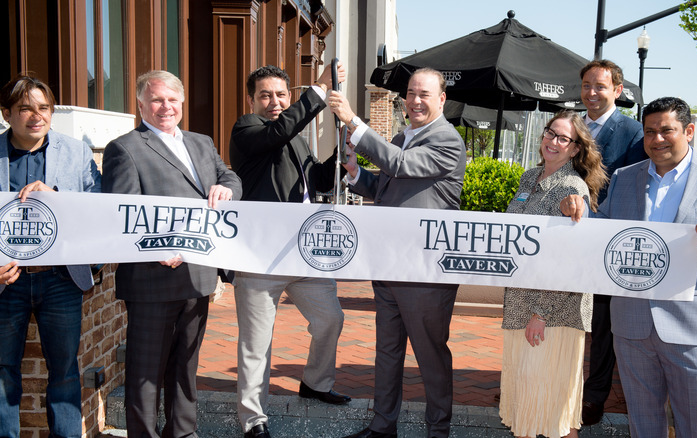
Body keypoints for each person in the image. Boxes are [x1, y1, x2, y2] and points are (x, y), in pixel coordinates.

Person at [561, 97, 697, 437]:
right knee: (643, 427)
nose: (657, 139)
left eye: (666, 130)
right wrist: (580, 209)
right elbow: (602, 230)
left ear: (688, 131)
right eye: (649, 132)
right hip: (632, 326)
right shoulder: (625, 177)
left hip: (690, 330)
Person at [102, 70, 242, 438]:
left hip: (197, 276)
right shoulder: (125, 148)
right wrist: (156, 248)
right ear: (141, 104)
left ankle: (183, 432)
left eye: (172, 100)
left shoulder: (201, 142)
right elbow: (123, 211)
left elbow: (229, 176)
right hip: (152, 278)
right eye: (157, 100)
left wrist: (226, 189)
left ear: (182, 103)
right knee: (146, 372)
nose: (166, 107)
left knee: (185, 368)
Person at [329, 67, 467, 438]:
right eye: (411, 93)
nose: (416, 100)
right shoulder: (403, 135)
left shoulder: (447, 141)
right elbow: (390, 185)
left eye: (425, 94)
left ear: (442, 99)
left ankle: (438, 431)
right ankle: (382, 426)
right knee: (387, 353)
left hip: (424, 272)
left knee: (430, 357)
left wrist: (354, 123)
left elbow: (402, 166)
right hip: (389, 263)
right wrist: (357, 174)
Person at [228, 64, 350, 438]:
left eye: (281, 94)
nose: (275, 102)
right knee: (256, 343)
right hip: (259, 257)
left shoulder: (296, 137)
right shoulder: (246, 129)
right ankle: (253, 418)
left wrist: (341, 161)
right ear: (252, 100)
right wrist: (318, 90)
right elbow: (279, 132)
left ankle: (315, 382)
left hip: (303, 253)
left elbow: (313, 180)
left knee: (330, 319)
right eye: (266, 95)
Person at [0, 74, 101, 438]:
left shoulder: (76, 153)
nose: (35, 115)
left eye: (43, 107)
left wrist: (55, 196)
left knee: (64, 370)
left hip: (60, 280)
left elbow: (97, 209)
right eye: (24, 108)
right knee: (2, 372)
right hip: (5, 283)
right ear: (7, 113)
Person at [499, 111, 607, 438]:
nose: (553, 141)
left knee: (553, 404)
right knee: (528, 397)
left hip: (552, 313)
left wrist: (541, 313)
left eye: (564, 138)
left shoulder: (572, 186)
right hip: (520, 301)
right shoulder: (529, 177)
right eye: (550, 133)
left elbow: (570, 258)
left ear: (575, 149)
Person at [579, 59, 646, 426]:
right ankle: (563, 387)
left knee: (604, 324)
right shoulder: (569, 127)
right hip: (567, 236)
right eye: (587, 85)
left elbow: (635, 187)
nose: (592, 92)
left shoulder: (634, 132)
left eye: (600, 86)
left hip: (607, 237)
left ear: (617, 91)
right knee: (566, 315)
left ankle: (594, 397)